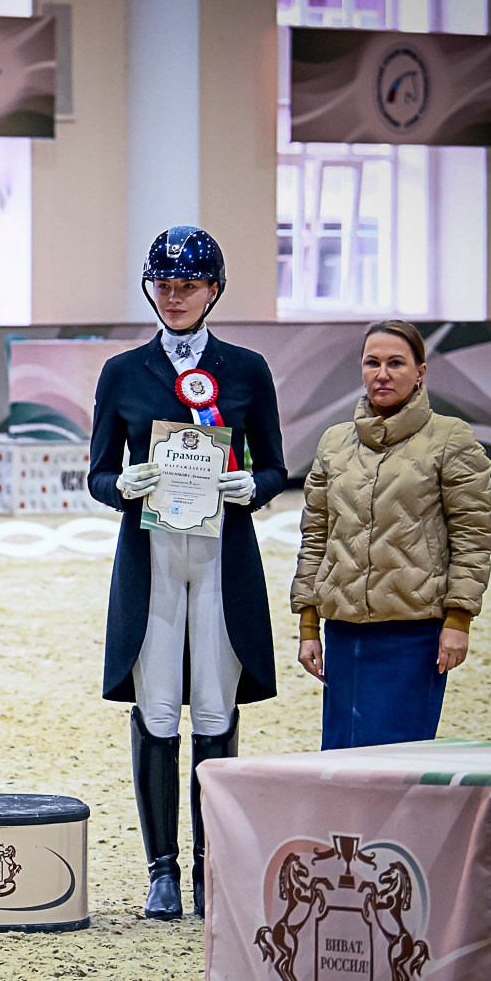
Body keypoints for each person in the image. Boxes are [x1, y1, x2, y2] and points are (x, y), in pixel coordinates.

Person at [87, 227, 285, 920]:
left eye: (189, 286)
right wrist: (123, 483)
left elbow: (275, 465)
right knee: (159, 707)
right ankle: (162, 870)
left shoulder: (248, 369)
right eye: (164, 286)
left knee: (213, 707)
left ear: (214, 290)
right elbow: (98, 471)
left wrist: (251, 487)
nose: (175, 297)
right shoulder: (122, 373)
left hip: (221, 555)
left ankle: (212, 868)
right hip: (154, 557)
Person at [292, 320, 491, 748]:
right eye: (372, 362)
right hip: (343, 634)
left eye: (396, 363)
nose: (382, 373)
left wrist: (459, 620)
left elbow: (472, 538)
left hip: (413, 636)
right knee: (342, 762)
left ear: (421, 371)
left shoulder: (451, 439)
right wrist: (309, 625)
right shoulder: (333, 443)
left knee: (397, 767)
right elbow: (315, 537)